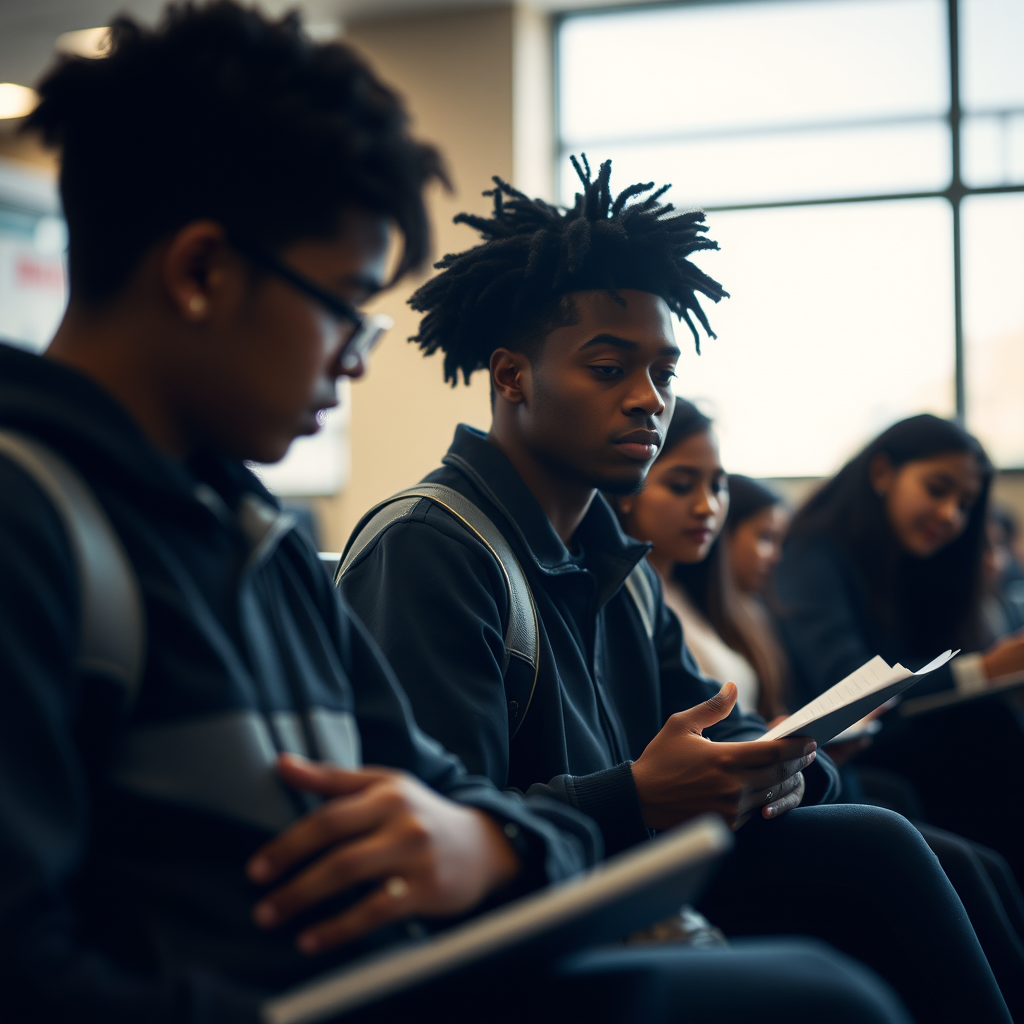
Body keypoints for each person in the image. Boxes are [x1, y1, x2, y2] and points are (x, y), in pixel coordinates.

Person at [0, 7, 925, 1024]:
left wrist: (485, 843)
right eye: (346, 305)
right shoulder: (36, 525)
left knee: (834, 960)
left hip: (407, 971)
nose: (357, 355)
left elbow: (456, 799)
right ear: (202, 272)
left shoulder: (252, 541)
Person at [338, 159, 1012, 1023]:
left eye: (663, 371)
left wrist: (781, 763)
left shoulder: (615, 561)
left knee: (914, 846)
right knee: (876, 861)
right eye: (611, 368)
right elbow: (435, 832)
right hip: (518, 927)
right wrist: (638, 795)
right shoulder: (433, 548)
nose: (648, 401)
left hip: (623, 869)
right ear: (512, 377)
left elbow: (721, 728)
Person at [616, 401, 1024, 1020]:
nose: (708, 507)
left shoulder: (681, 596)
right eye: (682, 483)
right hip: (712, 814)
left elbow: (747, 714)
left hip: (782, 776)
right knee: (905, 830)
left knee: (960, 846)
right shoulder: (643, 587)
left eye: (719, 486)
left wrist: (796, 748)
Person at [774, 415, 1024, 885]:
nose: (951, 514)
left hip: (892, 742)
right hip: (840, 750)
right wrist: (984, 671)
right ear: (883, 472)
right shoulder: (815, 552)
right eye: (937, 489)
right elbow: (849, 686)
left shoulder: (911, 561)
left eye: (965, 504)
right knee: (988, 733)